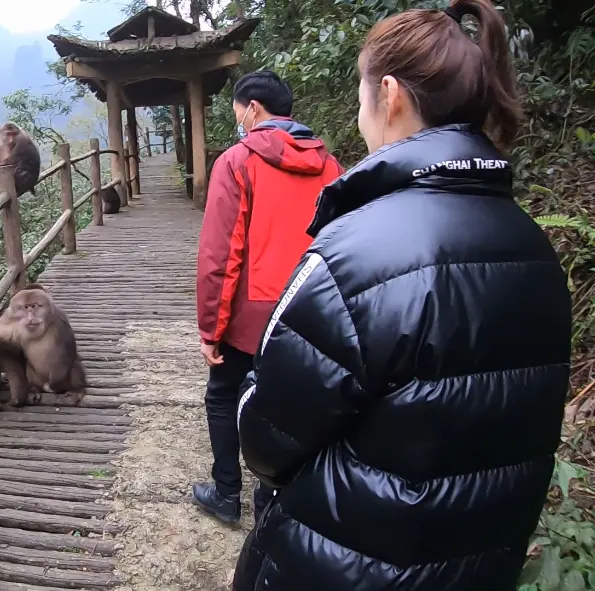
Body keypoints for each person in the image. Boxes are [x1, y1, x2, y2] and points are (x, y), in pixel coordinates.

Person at [232, 1, 572, 589]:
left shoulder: (355, 253)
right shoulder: (535, 249)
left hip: (342, 561)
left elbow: (266, 435)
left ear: (388, 93)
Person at [193, 70, 343, 524]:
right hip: (311, 311)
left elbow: (222, 253)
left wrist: (210, 330)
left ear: (253, 108)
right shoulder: (332, 167)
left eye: (239, 112)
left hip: (251, 316)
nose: (238, 120)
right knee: (287, 404)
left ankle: (225, 494)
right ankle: (270, 501)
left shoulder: (238, 161)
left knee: (223, 396)